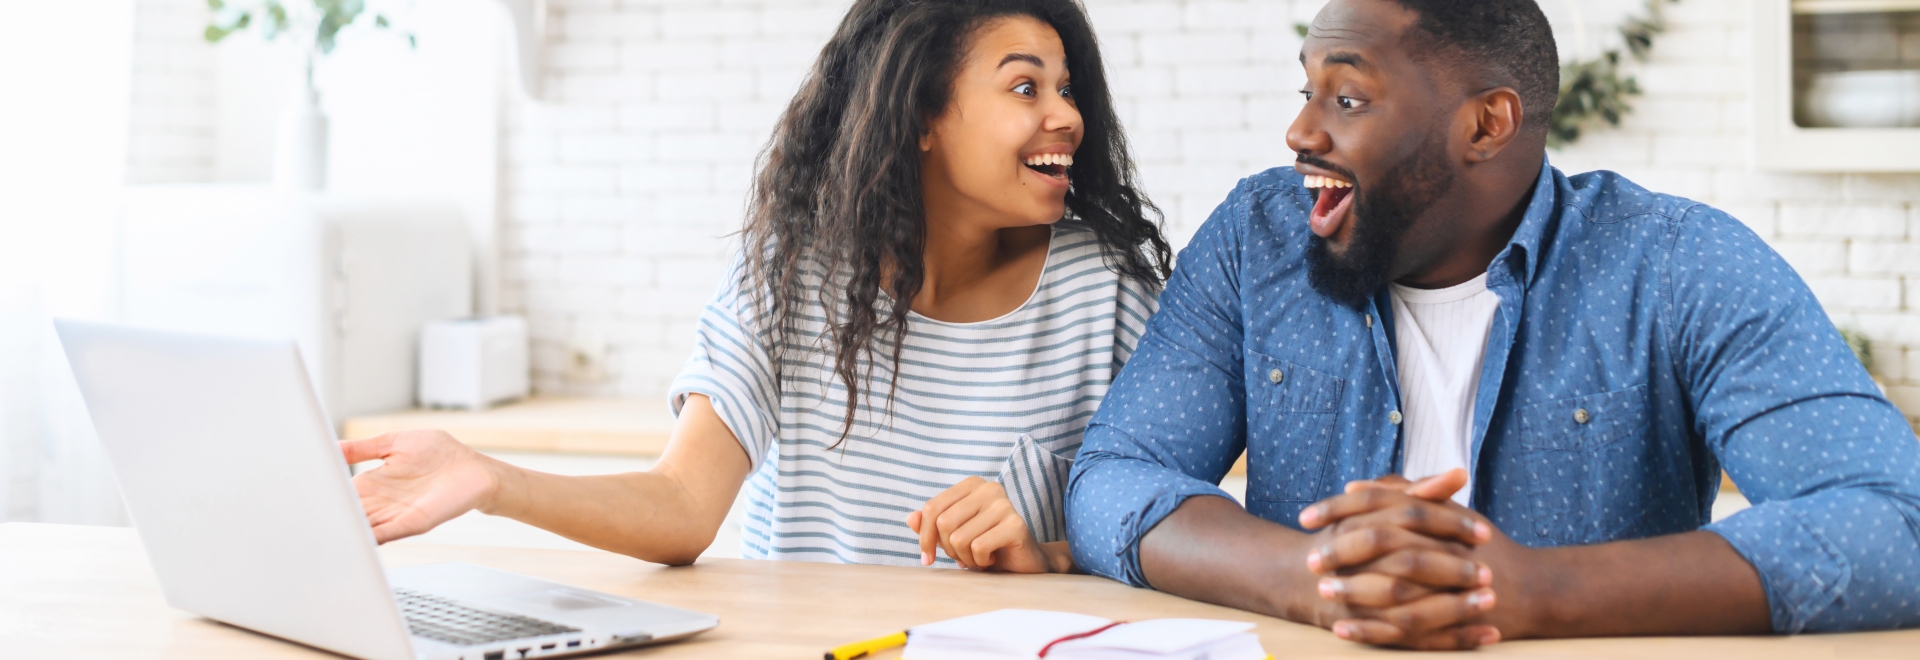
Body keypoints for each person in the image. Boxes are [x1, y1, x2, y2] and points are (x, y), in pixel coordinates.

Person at [1065, 0, 1920, 650]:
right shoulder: (1258, 242)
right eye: (1308, 89)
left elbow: (1895, 521)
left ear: (1486, 123)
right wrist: (1317, 580)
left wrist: (1531, 591)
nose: (1300, 130)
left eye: (1350, 97)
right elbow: (1113, 477)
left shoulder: (1679, 264)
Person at [342, 0, 1168, 574]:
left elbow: (1155, 527)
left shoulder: (1107, 292)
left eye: (1067, 89)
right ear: (921, 115)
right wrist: (491, 479)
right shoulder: (796, 270)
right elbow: (681, 504)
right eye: (1027, 87)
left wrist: (1048, 553)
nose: (1067, 115)